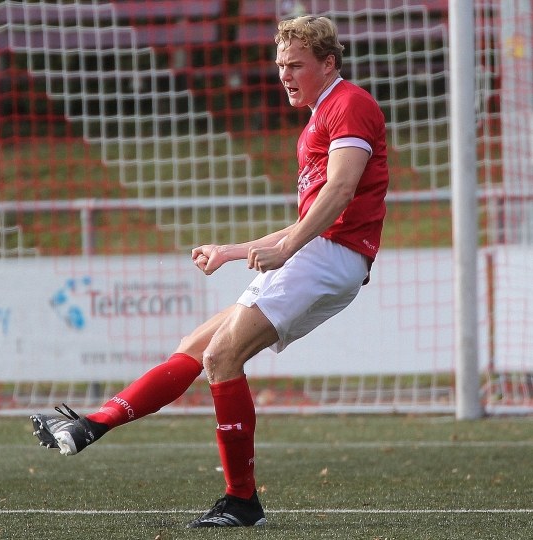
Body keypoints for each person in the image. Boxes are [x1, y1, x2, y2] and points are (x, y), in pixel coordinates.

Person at [30, 15, 389, 528]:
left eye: (296, 65)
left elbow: (339, 193)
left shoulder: (348, 103)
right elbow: (313, 216)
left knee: (222, 356)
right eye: (280, 65)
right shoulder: (321, 113)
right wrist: (232, 250)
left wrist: (288, 245)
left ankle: (241, 500)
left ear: (329, 63)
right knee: (197, 345)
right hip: (322, 252)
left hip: (331, 256)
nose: (285, 75)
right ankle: (93, 424)